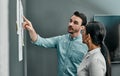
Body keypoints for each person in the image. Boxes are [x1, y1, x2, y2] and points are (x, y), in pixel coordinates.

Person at [23, 11, 88, 76]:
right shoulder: (60, 40)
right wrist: (31, 29)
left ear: (82, 27)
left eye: (75, 23)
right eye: (70, 21)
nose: (71, 24)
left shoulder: (86, 45)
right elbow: (40, 41)